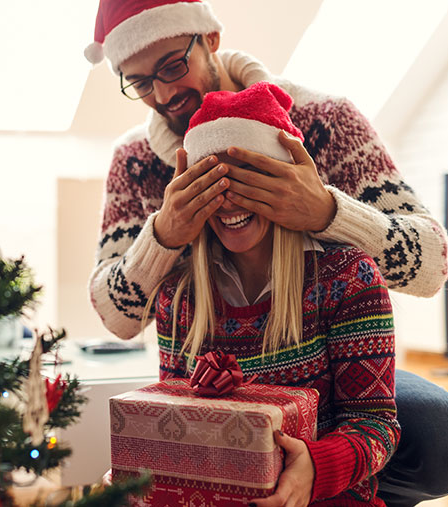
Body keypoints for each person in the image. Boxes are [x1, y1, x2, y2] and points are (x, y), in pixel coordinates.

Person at [84, 1, 448, 505]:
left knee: (444, 435)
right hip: (213, 357)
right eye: (137, 82)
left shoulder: (326, 119)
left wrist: (328, 213)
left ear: (211, 40)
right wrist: (164, 234)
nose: (161, 94)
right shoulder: (134, 162)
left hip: (324, 352)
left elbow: (433, 261)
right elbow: (117, 318)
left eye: (173, 66)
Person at [150, 80, 399, 506]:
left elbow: (376, 425)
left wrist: (316, 468)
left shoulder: (347, 278)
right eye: (212, 183)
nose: (228, 202)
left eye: (248, 179)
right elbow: (180, 422)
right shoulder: (179, 295)